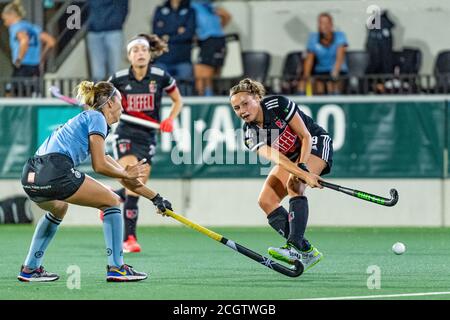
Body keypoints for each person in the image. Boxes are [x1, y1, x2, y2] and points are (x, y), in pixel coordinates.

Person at [18, 80, 173, 282]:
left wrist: (156, 198)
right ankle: (117, 268)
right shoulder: (96, 118)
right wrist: (126, 174)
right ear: (109, 103)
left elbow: (119, 173)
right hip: (55, 170)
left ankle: (30, 268)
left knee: (59, 208)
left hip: (31, 175)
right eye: (120, 101)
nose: (123, 107)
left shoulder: (89, 123)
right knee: (112, 201)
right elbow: (99, 166)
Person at [229, 78, 333, 271]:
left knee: (295, 184)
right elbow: (278, 158)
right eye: (236, 108)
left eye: (245, 103)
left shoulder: (278, 105)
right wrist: (301, 171)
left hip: (315, 143)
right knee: (266, 200)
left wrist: (303, 170)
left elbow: (305, 136)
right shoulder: (249, 135)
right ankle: (307, 251)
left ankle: (293, 246)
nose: (242, 111)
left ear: (257, 98)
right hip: (290, 158)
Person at [106, 33, 183, 253]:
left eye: (144, 50)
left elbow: (178, 100)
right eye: (135, 51)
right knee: (134, 176)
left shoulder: (160, 76)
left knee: (136, 186)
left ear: (150, 55)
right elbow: (103, 100)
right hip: (125, 133)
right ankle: (129, 238)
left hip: (148, 135)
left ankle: (111, 196)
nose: (140, 54)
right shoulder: (118, 78)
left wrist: (170, 118)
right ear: (129, 56)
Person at [1, 0, 55, 96]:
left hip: (22, 67)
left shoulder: (15, 27)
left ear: (11, 15)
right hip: (35, 67)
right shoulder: (32, 27)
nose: (5, 24)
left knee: (10, 94)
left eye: (5, 20)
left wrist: (19, 59)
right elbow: (51, 42)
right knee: (31, 96)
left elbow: (24, 40)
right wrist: (41, 58)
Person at [152, 0, 196, 96]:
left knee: (185, 92)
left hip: (183, 59)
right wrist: (178, 30)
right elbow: (156, 33)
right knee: (161, 93)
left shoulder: (190, 10)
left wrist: (167, 36)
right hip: (163, 59)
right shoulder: (160, 9)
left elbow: (188, 34)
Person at [297, 13, 348, 95]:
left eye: (325, 23)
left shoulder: (340, 36)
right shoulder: (313, 37)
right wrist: (306, 77)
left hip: (338, 72)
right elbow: (309, 60)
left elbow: (339, 58)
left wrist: (334, 74)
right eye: (320, 23)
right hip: (320, 72)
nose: (323, 26)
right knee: (304, 84)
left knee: (332, 84)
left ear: (331, 25)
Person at [191, 0, 231, 96]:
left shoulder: (207, 5)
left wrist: (215, 30)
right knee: (202, 76)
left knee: (205, 76)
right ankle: (205, 100)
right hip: (208, 42)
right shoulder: (192, 5)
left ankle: (206, 102)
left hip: (214, 41)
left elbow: (226, 16)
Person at [86, 0, 128, 81]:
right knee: (97, 74)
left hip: (113, 30)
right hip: (94, 31)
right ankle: (99, 93)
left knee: (115, 71)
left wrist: (117, 21)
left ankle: (114, 93)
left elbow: (124, 6)